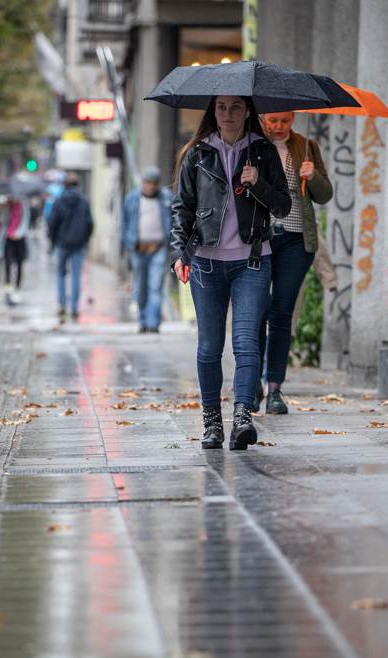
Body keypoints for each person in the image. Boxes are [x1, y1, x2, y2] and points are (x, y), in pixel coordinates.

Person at [171, 95, 290, 451]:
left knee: (246, 341)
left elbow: (282, 206)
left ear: (248, 111)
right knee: (209, 346)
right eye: (221, 107)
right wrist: (179, 252)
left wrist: (259, 184)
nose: (228, 114)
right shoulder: (196, 154)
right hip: (206, 261)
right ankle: (211, 422)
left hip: (252, 260)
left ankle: (242, 417)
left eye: (236, 107)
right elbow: (182, 208)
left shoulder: (263, 153)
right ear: (213, 112)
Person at [258, 111, 333, 415]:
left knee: (281, 313)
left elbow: (325, 195)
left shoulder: (306, 146)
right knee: (255, 312)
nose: (278, 127)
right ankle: (251, 385)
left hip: (295, 240)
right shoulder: (254, 145)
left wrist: (312, 176)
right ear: (263, 119)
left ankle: (274, 388)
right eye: (272, 121)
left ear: (292, 119)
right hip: (260, 239)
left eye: (284, 121)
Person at [121, 166, 173, 333]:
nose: (149, 187)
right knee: (141, 288)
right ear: (142, 183)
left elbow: (175, 220)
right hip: (138, 249)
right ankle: (143, 321)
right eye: (147, 183)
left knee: (155, 286)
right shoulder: (132, 198)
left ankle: (153, 323)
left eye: (153, 183)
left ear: (157, 184)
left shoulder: (166, 198)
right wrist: (125, 245)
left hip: (158, 248)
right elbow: (124, 223)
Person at [47, 173, 93, 322]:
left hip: (62, 243)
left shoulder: (59, 201)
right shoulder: (84, 201)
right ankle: (74, 307)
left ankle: (62, 304)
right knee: (76, 276)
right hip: (78, 244)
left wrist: (53, 241)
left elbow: (52, 222)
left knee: (61, 274)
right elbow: (90, 223)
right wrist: (85, 239)